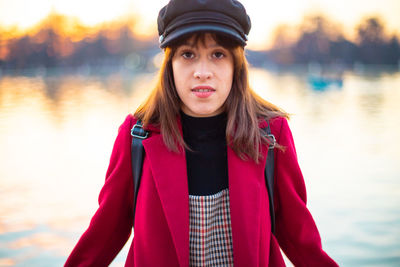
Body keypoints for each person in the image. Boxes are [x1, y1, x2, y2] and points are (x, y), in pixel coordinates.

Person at [65, 0, 339, 266]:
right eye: (188, 55)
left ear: (236, 65)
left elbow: (300, 238)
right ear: (170, 65)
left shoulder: (271, 133)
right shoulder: (136, 136)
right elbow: (103, 235)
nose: (202, 72)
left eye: (218, 54)